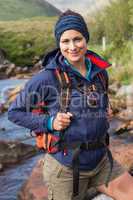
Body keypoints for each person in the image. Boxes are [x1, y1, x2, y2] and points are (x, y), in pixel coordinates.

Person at [8, 10, 133, 200]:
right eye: (65, 41)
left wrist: (104, 108)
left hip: (101, 161)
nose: (72, 47)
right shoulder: (46, 78)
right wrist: (50, 123)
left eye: (77, 39)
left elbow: (100, 96)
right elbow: (14, 113)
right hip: (65, 168)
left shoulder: (100, 72)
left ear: (86, 39)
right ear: (59, 44)